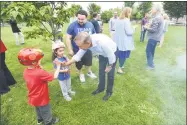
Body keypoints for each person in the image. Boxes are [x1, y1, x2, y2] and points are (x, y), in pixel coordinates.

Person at [64, 32, 117, 101]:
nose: (79, 48)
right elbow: (78, 55)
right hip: (102, 53)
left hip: (113, 52)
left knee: (110, 75)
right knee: (101, 72)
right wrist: (68, 63)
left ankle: (109, 92)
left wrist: (110, 66)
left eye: (80, 46)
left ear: (88, 43)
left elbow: (111, 56)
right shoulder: (85, 43)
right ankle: (100, 88)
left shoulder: (102, 43)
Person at [18, 48, 61, 125]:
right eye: (39, 59)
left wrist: (38, 64)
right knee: (45, 110)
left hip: (33, 96)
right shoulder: (40, 73)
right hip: (41, 97)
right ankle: (49, 122)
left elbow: (37, 69)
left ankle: (39, 119)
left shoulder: (26, 71)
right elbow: (54, 77)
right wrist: (58, 66)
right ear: (34, 62)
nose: (40, 60)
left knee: (37, 109)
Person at [66, 10, 97, 83]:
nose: (80, 20)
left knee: (88, 62)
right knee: (79, 64)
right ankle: (81, 74)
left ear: (86, 18)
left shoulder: (90, 25)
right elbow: (68, 38)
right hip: (77, 49)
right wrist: (70, 49)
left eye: (82, 19)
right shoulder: (72, 25)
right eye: (78, 18)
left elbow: (94, 36)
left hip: (88, 49)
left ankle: (89, 72)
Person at [114, 7, 135, 74]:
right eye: (130, 12)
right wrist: (133, 29)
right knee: (123, 55)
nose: (130, 14)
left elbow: (115, 29)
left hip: (117, 40)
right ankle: (120, 68)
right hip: (124, 41)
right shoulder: (126, 20)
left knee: (116, 54)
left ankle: (114, 67)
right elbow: (129, 32)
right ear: (127, 13)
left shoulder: (117, 20)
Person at [144, 5, 164, 70]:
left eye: (152, 9)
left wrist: (146, 28)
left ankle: (151, 66)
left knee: (148, 51)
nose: (151, 10)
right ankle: (151, 62)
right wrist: (149, 25)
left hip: (153, 37)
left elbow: (153, 30)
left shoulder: (157, 18)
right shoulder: (159, 17)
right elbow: (155, 27)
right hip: (156, 37)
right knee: (151, 51)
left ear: (156, 10)